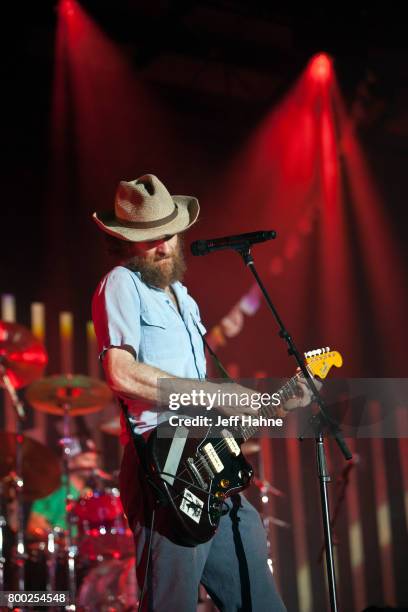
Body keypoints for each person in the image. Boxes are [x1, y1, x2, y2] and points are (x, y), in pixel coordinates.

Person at [91, 174, 315, 612]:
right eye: (150, 239)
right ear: (125, 242)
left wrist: (276, 402)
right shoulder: (121, 283)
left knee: (262, 603)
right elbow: (120, 373)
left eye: (169, 235)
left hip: (211, 467)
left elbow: (208, 400)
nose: (164, 247)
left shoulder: (184, 299)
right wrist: (214, 396)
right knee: (170, 603)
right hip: (164, 464)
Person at [27, 437, 99, 537]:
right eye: (86, 459)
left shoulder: (91, 493)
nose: (92, 465)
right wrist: (58, 540)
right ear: (70, 462)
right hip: (61, 548)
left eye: (94, 460)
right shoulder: (54, 486)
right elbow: (35, 523)